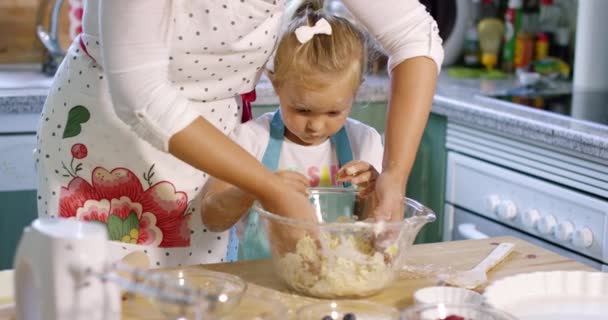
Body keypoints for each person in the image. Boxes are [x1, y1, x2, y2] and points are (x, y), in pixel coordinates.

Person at [35, 0, 443, 268]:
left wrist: (395, 172)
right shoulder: (257, 143)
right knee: (101, 298)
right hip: (111, 138)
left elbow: (415, 36)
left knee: (198, 297)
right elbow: (140, 95)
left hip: (216, 141)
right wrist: (269, 187)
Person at [201, 3, 383, 260]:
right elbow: (212, 218)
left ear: (356, 91)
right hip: (261, 282)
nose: (316, 126)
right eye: (302, 110)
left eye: (333, 113)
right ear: (276, 85)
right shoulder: (251, 139)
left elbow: (372, 232)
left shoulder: (364, 143)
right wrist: (257, 188)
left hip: (336, 278)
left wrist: (375, 191)